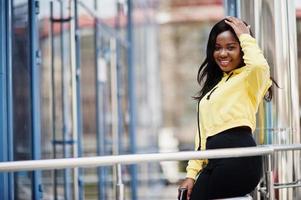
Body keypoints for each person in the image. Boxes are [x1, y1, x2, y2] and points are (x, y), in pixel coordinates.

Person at [178, 16, 275, 200]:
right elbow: (202, 136)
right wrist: (191, 174)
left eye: (231, 47)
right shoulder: (215, 86)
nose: (222, 53)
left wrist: (245, 36)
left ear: (242, 49)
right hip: (214, 160)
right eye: (217, 47)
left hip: (239, 159)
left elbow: (259, 66)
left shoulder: (249, 78)